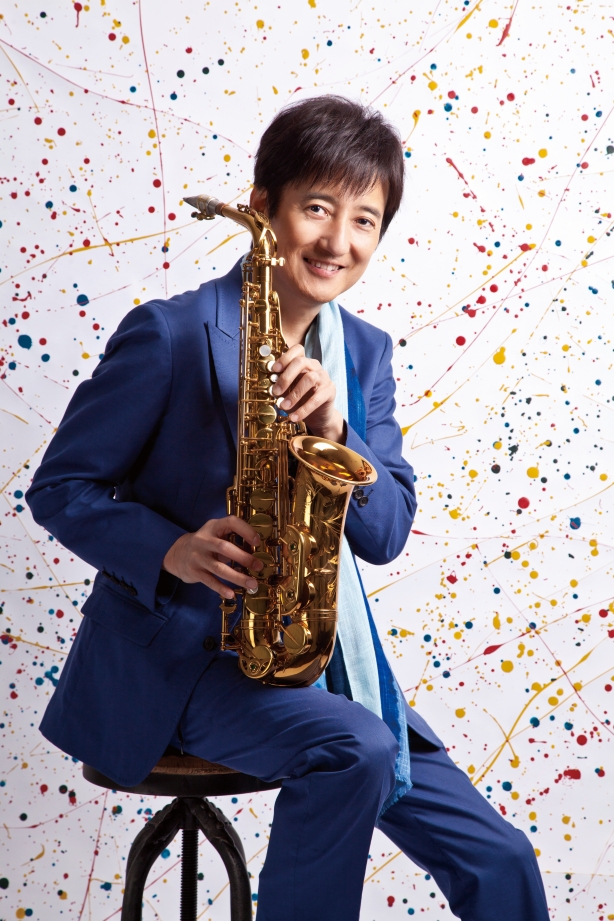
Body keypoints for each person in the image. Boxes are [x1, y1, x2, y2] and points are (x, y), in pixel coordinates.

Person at [26, 96, 549, 921]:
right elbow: (59, 488)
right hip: (184, 667)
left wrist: (339, 430)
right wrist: (173, 548)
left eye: (365, 220)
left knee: (502, 858)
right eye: (317, 208)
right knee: (357, 748)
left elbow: (386, 532)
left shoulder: (364, 353)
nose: (339, 241)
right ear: (263, 207)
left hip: (320, 661)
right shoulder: (169, 333)